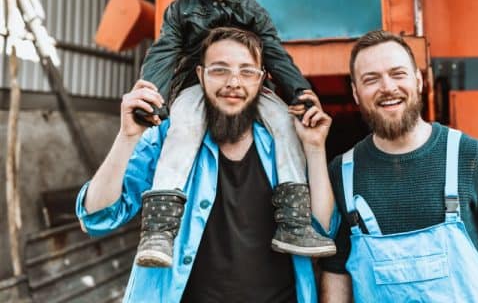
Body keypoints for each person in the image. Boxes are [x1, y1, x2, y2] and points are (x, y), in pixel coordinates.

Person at [76, 28, 336, 302]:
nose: (234, 82)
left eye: (247, 71)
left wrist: (315, 148)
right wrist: (127, 137)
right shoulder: (168, 139)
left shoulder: (286, 142)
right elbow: (97, 219)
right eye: (220, 70)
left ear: (261, 80)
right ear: (200, 75)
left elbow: (324, 230)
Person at [133, 0, 335, 266]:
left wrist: (301, 92)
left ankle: (293, 222)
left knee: (285, 126)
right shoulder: (180, 11)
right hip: (198, 88)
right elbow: (164, 52)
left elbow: (274, 53)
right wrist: (152, 93)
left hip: (252, 89)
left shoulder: (254, 12)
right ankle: (159, 231)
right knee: (182, 130)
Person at [319, 30, 478, 302]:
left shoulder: (469, 156)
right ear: (356, 93)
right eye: (371, 79)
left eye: (398, 74)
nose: (387, 87)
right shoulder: (343, 173)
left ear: (418, 80)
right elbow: (336, 271)